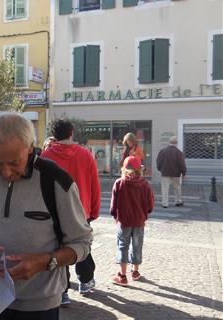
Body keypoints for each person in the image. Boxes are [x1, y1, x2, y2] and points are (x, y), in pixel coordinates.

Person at [0, 111, 92, 320]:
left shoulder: (55, 180)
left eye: (13, 162)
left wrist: (46, 261)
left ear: (29, 148)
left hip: (41, 304)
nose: (6, 172)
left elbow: (82, 243)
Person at [41, 119, 100, 304]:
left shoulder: (45, 156)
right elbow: (94, 184)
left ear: (54, 135)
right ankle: (85, 281)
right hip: (82, 209)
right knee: (82, 246)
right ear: (71, 133)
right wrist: (94, 211)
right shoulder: (86, 154)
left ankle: (63, 292)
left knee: (59, 249)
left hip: (54, 211)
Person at [110, 156, 154, 286]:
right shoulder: (145, 184)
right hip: (139, 221)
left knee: (123, 245)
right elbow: (150, 204)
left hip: (124, 221)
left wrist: (115, 216)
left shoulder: (119, 183)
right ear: (139, 169)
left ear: (124, 168)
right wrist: (145, 214)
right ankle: (135, 272)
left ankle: (122, 275)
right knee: (137, 245)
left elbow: (114, 204)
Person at [156, 136, 186, 208]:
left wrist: (160, 169)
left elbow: (158, 162)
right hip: (176, 174)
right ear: (176, 143)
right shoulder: (179, 152)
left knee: (165, 189)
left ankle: (165, 203)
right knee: (177, 188)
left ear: (169, 142)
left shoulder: (163, 151)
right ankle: (178, 201)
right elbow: (182, 164)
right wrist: (183, 173)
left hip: (165, 173)